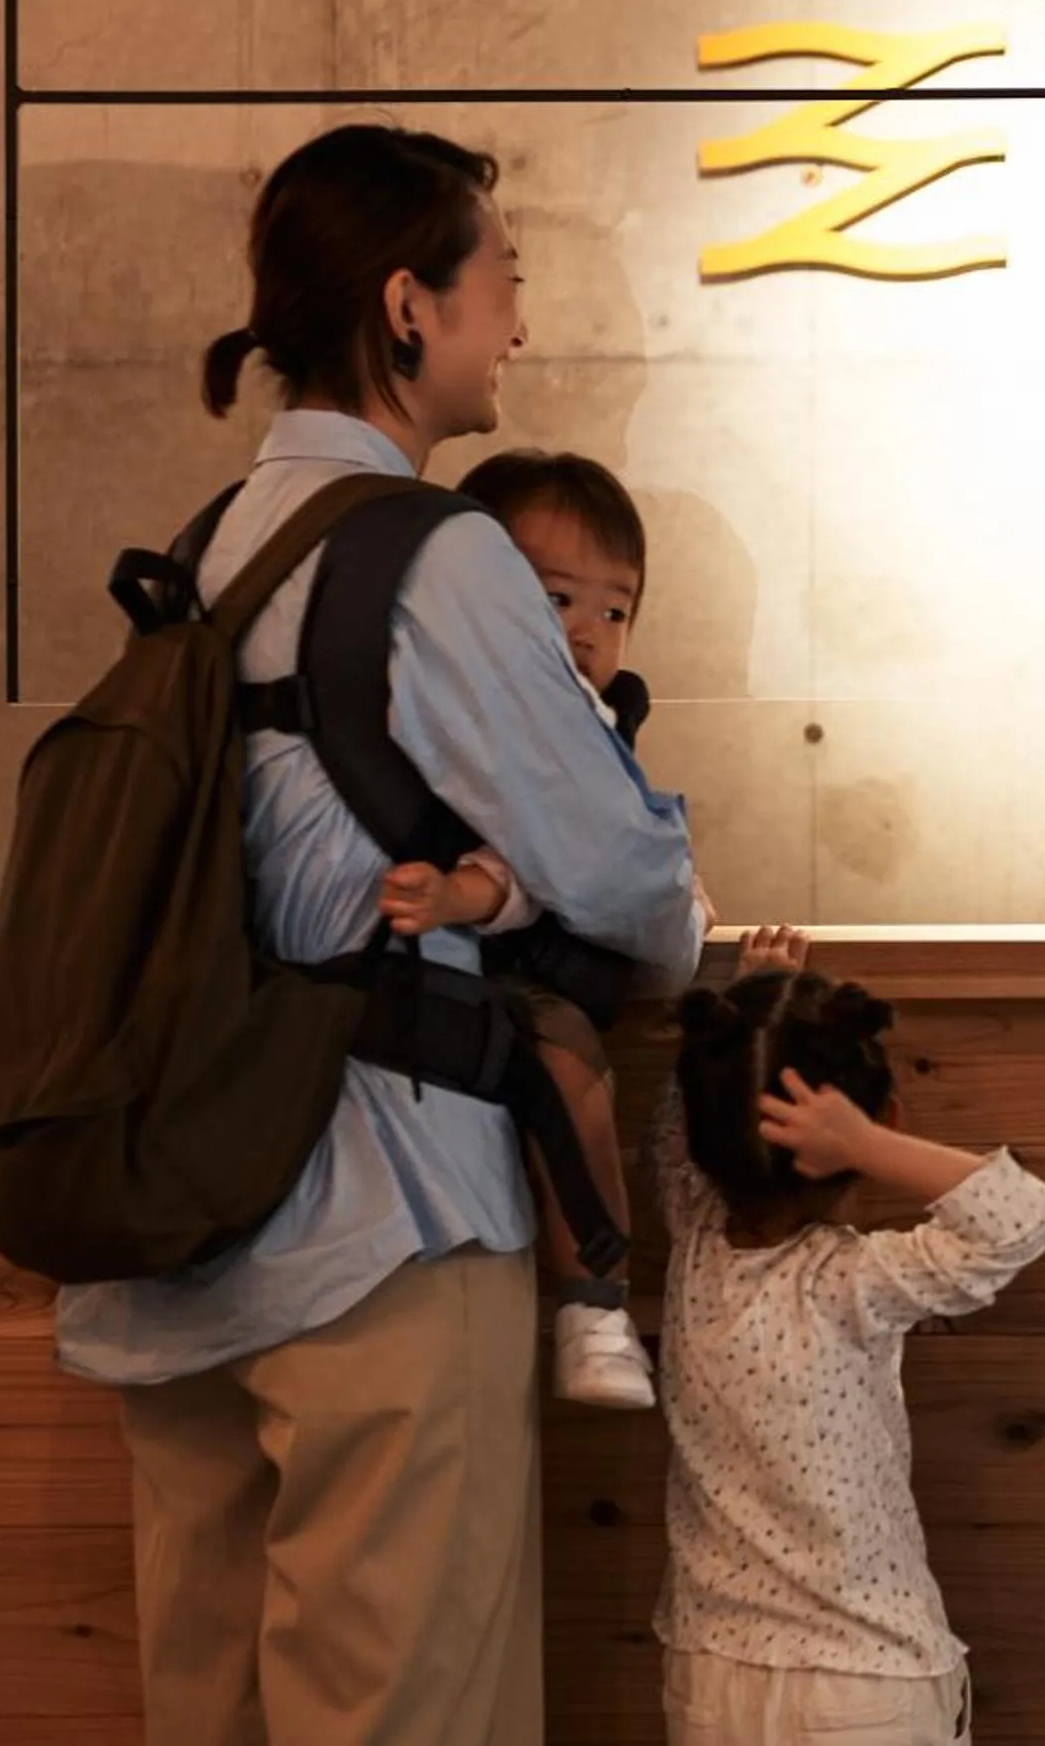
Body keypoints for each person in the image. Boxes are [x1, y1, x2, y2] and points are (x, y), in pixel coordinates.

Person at [55, 123, 708, 1745]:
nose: (520, 324)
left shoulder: (205, 553)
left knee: (209, 1705)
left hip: (179, 1211)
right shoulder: (435, 555)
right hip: (382, 1219)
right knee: (409, 1715)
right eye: (504, 281)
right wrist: (656, 917)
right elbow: (625, 879)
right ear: (410, 304)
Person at [654, 928, 1045, 1746]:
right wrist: (866, 1143)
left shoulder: (694, 1244)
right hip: (862, 1678)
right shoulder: (853, 1285)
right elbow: (1025, 1215)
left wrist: (750, 1008)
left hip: (711, 1672)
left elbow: (681, 1131)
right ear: (887, 1115)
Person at [375, 449, 685, 1410]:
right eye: (555, 599)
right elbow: (547, 846)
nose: (587, 633)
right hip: (447, 969)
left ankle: (596, 1301)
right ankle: (595, 1305)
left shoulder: (593, 717)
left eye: (614, 610)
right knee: (566, 1077)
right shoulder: (450, 694)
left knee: (576, 1078)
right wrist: (466, 896)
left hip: (527, 962)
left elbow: (593, 854)